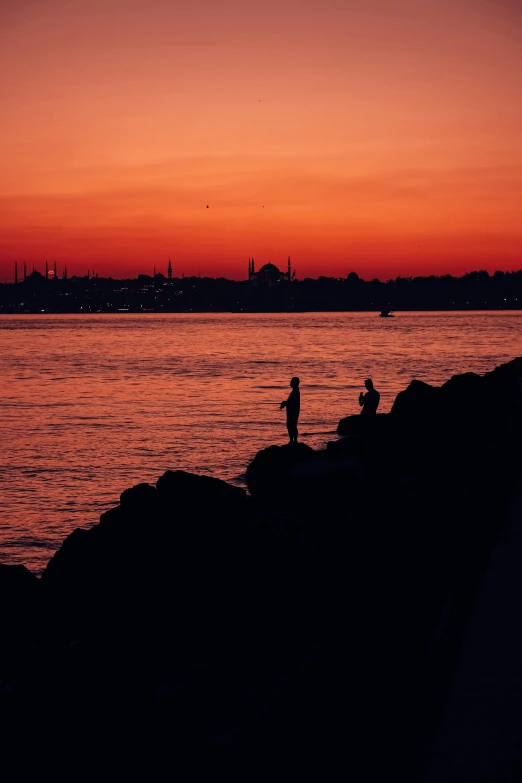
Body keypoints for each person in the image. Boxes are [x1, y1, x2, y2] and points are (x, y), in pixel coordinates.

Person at [280, 377, 300, 443]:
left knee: (291, 426)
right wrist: (285, 403)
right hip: (293, 412)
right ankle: (293, 440)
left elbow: (292, 402)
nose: (290, 383)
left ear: (295, 383)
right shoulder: (295, 391)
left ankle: (293, 440)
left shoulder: (295, 391)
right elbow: (290, 402)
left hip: (293, 412)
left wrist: (285, 403)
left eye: (291, 381)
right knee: (292, 425)